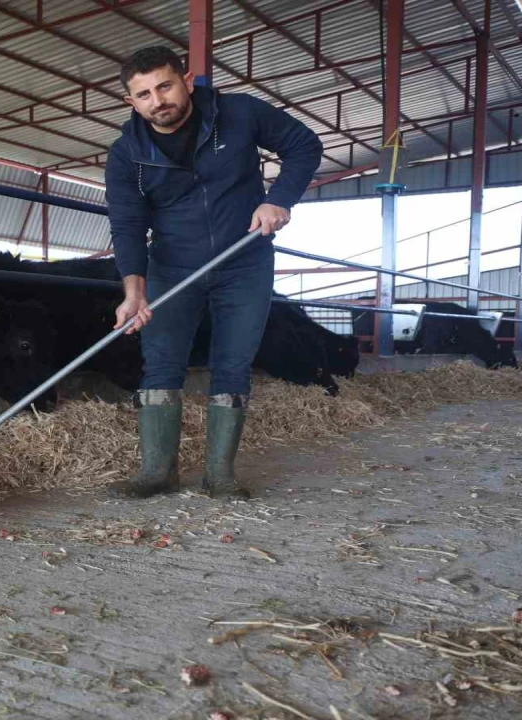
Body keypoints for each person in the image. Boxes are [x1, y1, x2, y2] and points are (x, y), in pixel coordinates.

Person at [103, 46, 323, 499]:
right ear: (131, 102)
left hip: (244, 261)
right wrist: (134, 292)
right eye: (143, 94)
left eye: (164, 86)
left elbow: (304, 144)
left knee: (233, 363)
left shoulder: (238, 113)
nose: (157, 100)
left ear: (186, 79)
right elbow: (127, 224)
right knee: (161, 362)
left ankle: (219, 475)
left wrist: (279, 197)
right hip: (172, 266)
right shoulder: (126, 154)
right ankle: (157, 472)